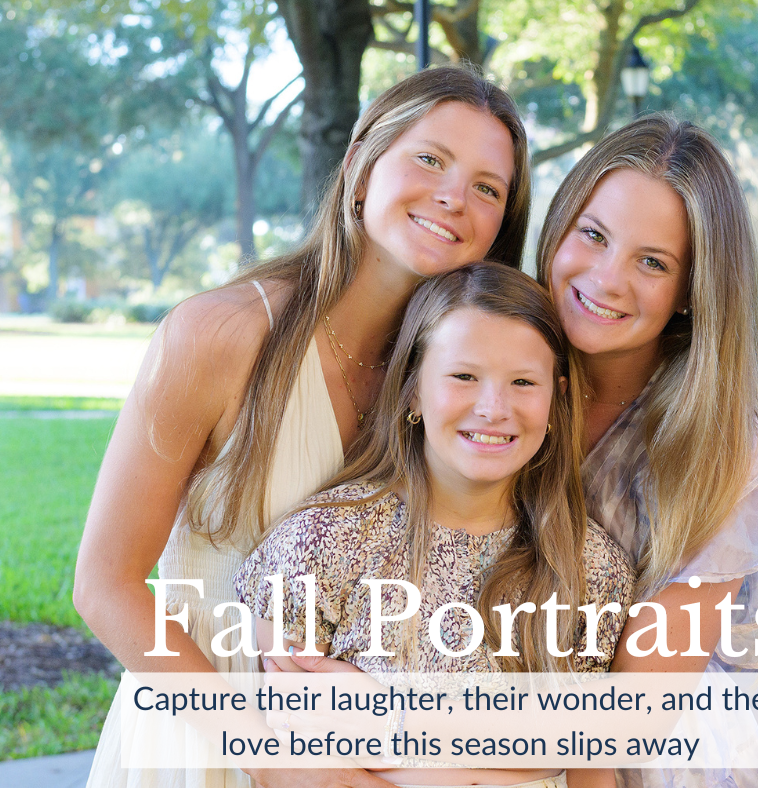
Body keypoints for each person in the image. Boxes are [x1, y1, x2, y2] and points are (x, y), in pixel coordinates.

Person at [73, 66, 532, 788]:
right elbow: (105, 584)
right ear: (359, 167)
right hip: (207, 733)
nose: (454, 196)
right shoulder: (219, 335)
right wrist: (269, 754)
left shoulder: (462, 393)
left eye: (487, 187)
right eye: (430, 158)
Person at [235, 264, 634, 788]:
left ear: (556, 400)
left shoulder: (588, 566)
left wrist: (390, 718)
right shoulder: (324, 542)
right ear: (413, 389)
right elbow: (297, 764)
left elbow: (587, 756)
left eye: (523, 382)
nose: (494, 408)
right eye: (464, 376)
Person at [536, 114, 758, 787]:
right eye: (593, 235)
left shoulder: (717, 446)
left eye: (652, 262)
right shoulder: (492, 369)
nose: (607, 278)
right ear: (559, 226)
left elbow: (630, 719)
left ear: (689, 294)